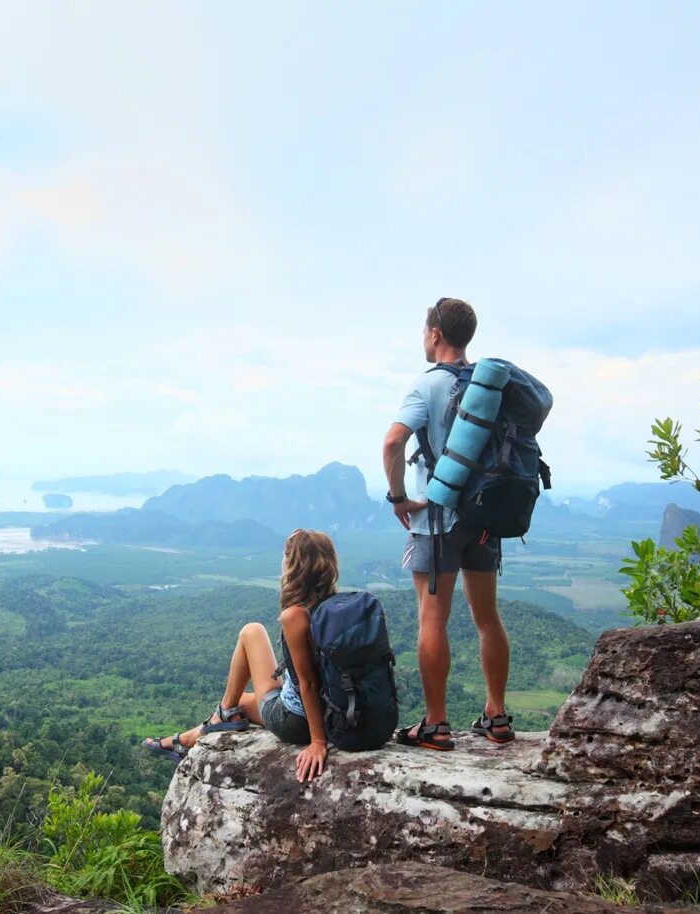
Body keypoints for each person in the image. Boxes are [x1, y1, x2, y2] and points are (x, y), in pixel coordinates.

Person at [381, 297, 515, 751]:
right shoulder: (488, 386)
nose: (423, 336)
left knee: (432, 619)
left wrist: (399, 497)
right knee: (487, 619)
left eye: (424, 329)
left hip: (436, 521)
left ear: (436, 334)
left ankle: (435, 725)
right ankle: (496, 714)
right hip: (484, 519)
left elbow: (393, 442)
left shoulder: (426, 386)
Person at [142, 529, 339, 782]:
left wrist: (317, 742)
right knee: (242, 704)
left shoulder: (296, 615)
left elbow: (308, 683)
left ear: (294, 565)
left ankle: (214, 719)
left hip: (297, 721)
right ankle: (197, 732)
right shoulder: (336, 608)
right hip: (334, 712)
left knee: (252, 631)